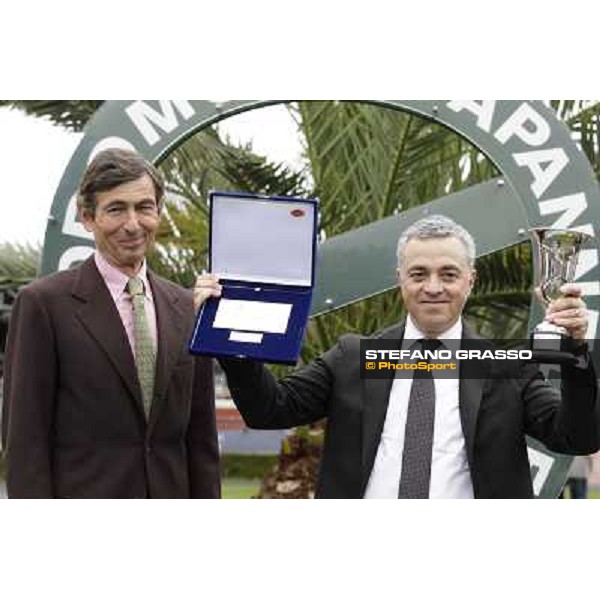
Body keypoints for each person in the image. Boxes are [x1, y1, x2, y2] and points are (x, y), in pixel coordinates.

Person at [194, 214, 600, 498]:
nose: (433, 287)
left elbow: (576, 437)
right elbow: (270, 410)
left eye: (449, 274)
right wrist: (230, 326)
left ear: (470, 281)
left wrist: (578, 352)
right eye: (419, 274)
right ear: (400, 280)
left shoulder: (506, 366)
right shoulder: (354, 357)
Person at [1, 148, 220, 498]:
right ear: (88, 218)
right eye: (116, 209)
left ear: (158, 212)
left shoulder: (187, 307)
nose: (132, 224)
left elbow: (201, 439)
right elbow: (25, 440)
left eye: (144, 207)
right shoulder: (43, 305)